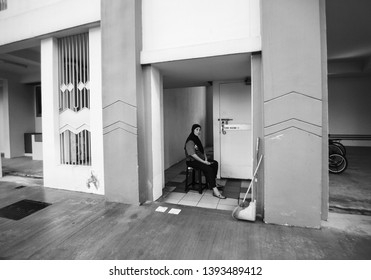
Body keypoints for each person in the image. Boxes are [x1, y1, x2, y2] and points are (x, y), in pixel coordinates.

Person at [184, 124, 226, 199]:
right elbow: (193, 154)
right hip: (192, 161)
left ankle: (213, 182)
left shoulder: (197, 139)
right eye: (196, 129)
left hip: (200, 159)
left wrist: (206, 158)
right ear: (193, 130)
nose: (198, 131)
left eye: (199, 130)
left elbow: (202, 151)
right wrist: (204, 162)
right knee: (208, 168)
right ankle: (215, 191)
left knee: (215, 163)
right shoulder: (190, 141)